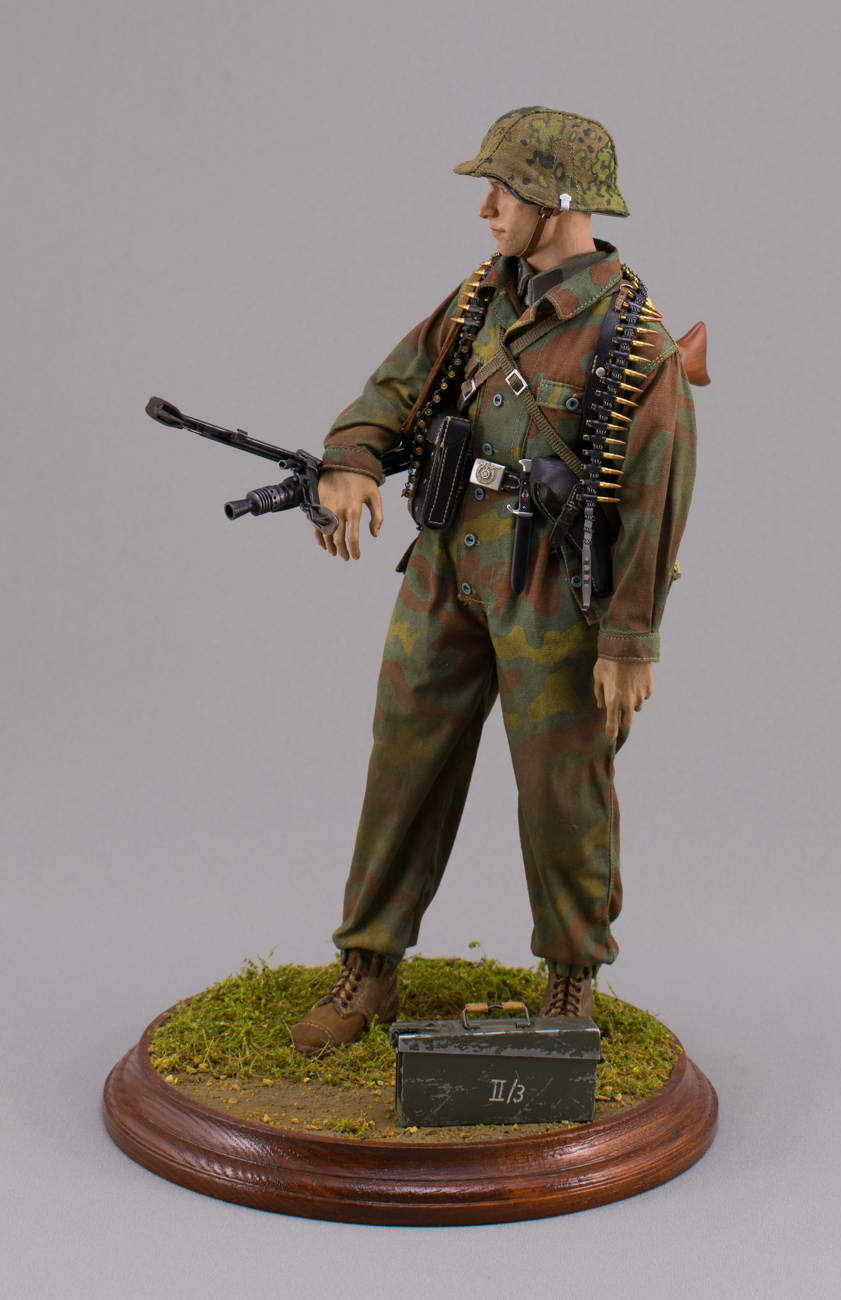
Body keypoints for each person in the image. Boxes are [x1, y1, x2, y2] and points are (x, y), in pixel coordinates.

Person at [290, 108, 696, 1055]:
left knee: (562, 789)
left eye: (502, 190)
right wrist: (351, 460)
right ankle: (368, 964)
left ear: (556, 199)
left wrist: (628, 640)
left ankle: (570, 977)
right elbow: (398, 386)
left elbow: (654, 501)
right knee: (404, 763)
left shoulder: (634, 339)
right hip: (445, 564)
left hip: (550, 587)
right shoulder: (482, 297)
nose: (486, 209)